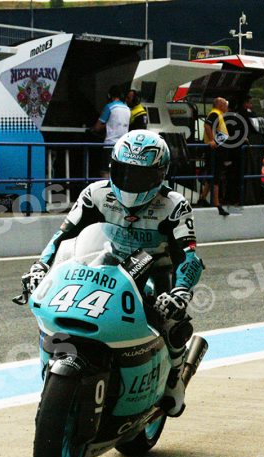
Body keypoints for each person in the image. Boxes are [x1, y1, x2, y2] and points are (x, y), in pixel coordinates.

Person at [21, 130, 204, 418]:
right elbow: (62, 237)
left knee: (171, 318)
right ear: (112, 168)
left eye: (141, 177)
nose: (131, 183)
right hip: (105, 261)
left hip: (155, 271)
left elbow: (189, 256)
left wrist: (181, 291)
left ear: (160, 174)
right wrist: (40, 267)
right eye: (125, 173)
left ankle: (174, 380)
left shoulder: (174, 205)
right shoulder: (95, 194)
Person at [92, 85, 130, 178]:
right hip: (123, 146)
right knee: (119, 173)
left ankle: (106, 191)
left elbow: (97, 127)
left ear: (109, 96)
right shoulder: (127, 109)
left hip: (110, 145)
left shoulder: (109, 107)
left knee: (105, 172)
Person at [202, 97, 230, 216]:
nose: (226, 107)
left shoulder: (219, 114)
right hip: (214, 151)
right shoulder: (215, 114)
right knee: (216, 176)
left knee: (211, 175)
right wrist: (213, 141)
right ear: (219, 105)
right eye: (225, 104)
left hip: (217, 150)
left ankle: (203, 198)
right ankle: (217, 204)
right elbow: (207, 126)